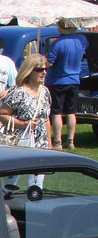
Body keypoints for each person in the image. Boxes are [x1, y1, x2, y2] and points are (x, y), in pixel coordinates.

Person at [47, 18, 87, 149]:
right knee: (71, 112)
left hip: (57, 80)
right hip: (74, 79)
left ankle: (57, 141)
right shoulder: (82, 39)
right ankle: (70, 140)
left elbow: (50, 63)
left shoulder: (57, 44)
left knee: (57, 112)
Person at [0, 54, 53, 149]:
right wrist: (23, 124)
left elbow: (46, 120)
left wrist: (49, 144)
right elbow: (1, 115)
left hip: (42, 145)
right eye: (39, 70)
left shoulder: (45, 92)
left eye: (45, 69)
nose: (43, 73)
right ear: (29, 71)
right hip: (21, 144)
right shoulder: (18, 92)